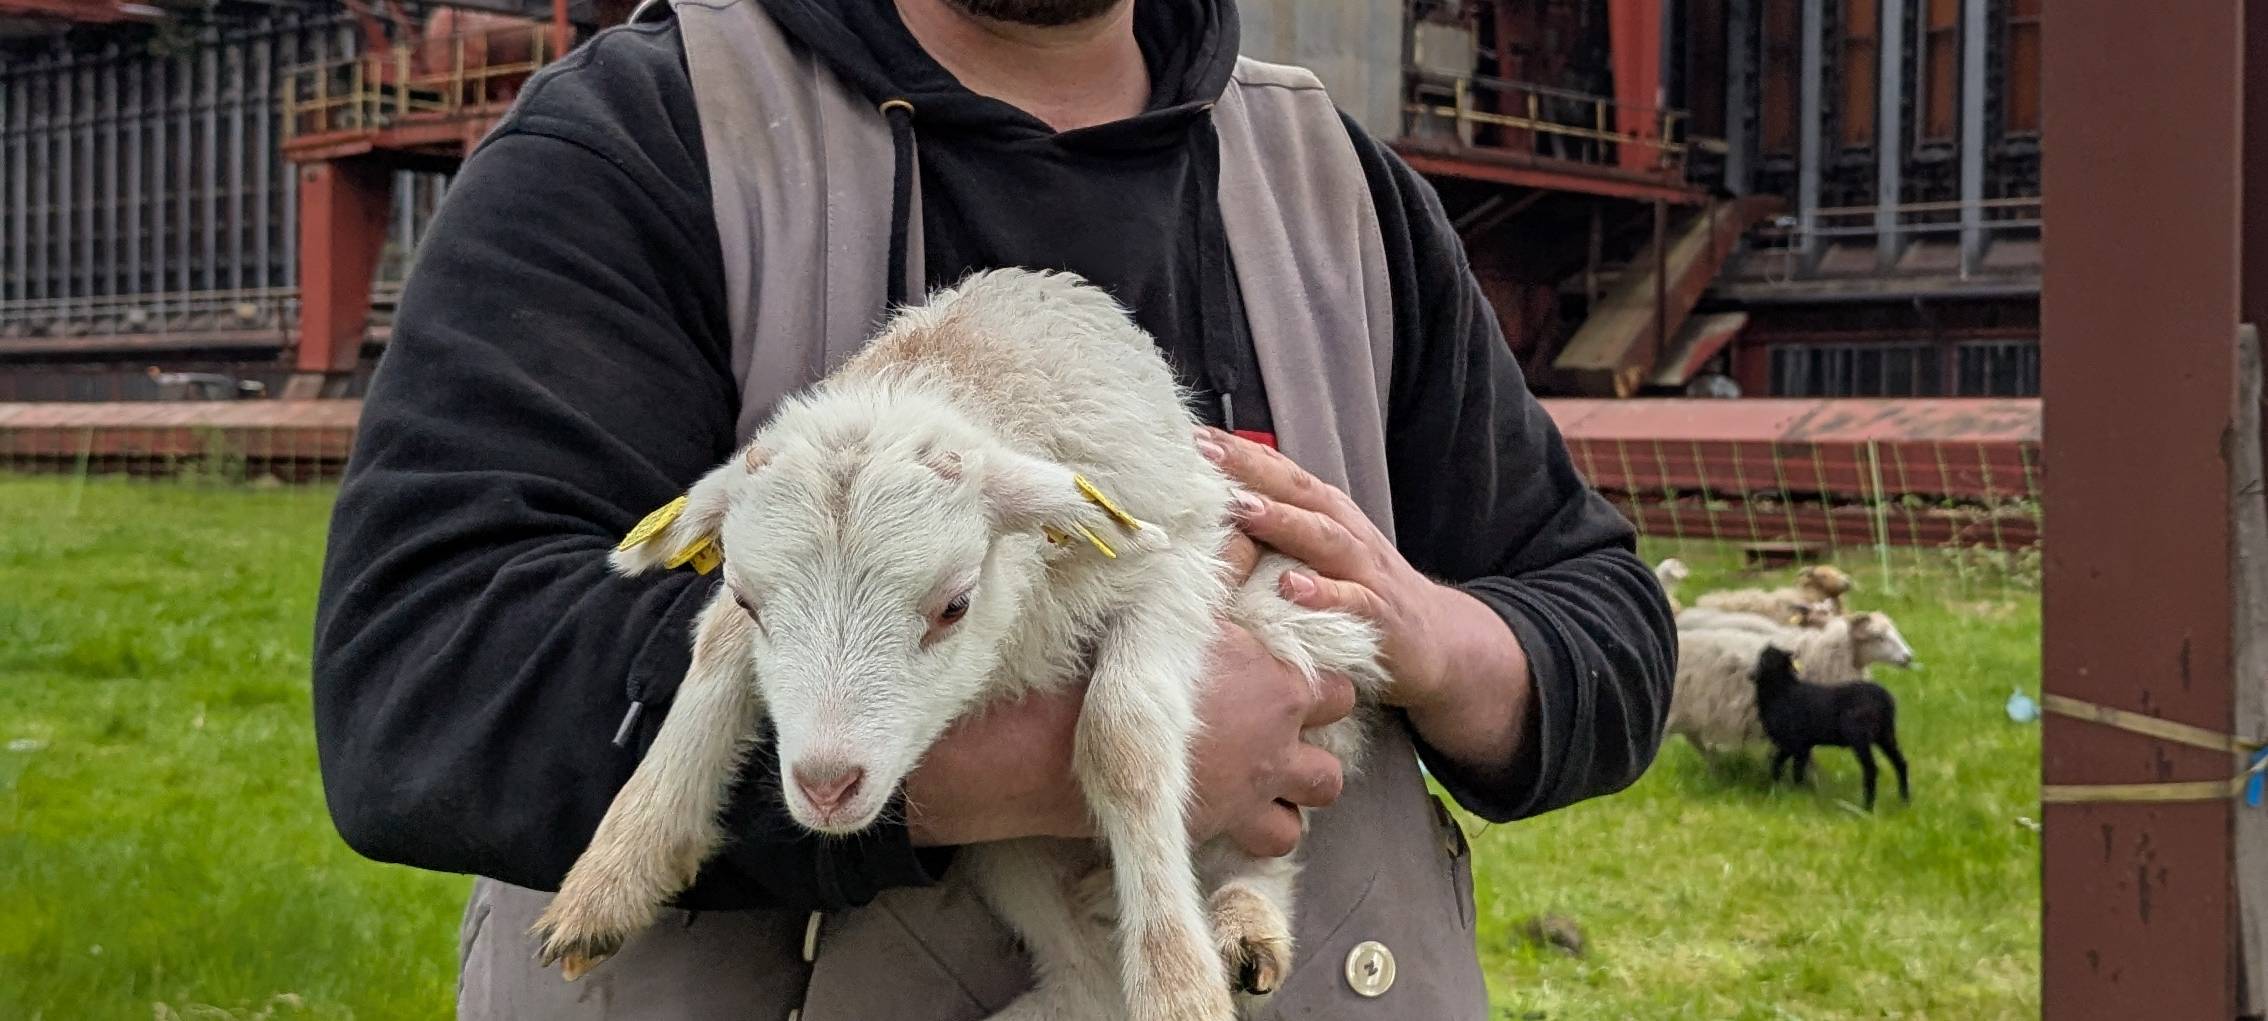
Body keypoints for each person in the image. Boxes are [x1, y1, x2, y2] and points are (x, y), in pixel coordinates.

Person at [310, 0, 1677, 1017]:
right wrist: (1054, 752)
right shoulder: (642, 147)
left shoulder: (1336, 190)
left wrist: (1425, 633)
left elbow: (1606, 621)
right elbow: (421, 675)